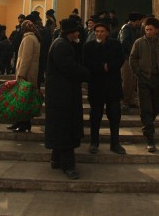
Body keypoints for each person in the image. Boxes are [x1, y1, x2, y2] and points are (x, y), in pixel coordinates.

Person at [44, 18, 89, 180]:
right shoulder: (61, 45)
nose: (79, 34)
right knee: (65, 128)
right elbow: (69, 68)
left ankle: (56, 159)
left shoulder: (63, 44)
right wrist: (87, 73)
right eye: (77, 31)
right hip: (61, 95)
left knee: (60, 127)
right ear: (71, 32)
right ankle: (68, 165)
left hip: (63, 93)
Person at [83, 21, 126, 154]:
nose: (99, 34)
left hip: (113, 86)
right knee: (95, 116)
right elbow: (86, 62)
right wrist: (102, 67)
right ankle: (94, 143)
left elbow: (121, 59)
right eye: (97, 32)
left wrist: (110, 66)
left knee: (114, 115)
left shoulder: (115, 45)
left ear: (107, 32)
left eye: (102, 31)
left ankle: (115, 143)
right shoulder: (88, 46)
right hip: (96, 86)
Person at [129, 17, 159, 153]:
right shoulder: (139, 43)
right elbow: (132, 59)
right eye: (146, 29)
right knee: (146, 107)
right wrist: (138, 73)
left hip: (157, 80)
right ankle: (149, 136)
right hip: (144, 80)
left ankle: (148, 124)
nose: (148, 32)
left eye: (150, 29)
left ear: (157, 30)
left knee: (156, 106)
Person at [9, 19, 41, 133]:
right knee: (23, 99)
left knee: (24, 100)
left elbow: (26, 58)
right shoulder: (32, 37)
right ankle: (19, 122)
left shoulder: (28, 39)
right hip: (30, 72)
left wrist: (21, 74)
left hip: (27, 73)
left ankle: (23, 124)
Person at [119, 12, 143, 111]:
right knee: (127, 80)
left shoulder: (135, 29)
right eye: (140, 20)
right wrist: (133, 52)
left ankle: (132, 100)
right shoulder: (126, 28)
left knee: (133, 81)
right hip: (126, 58)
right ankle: (125, 101)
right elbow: (124, 42)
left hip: (132, 58)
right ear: (136, 20)